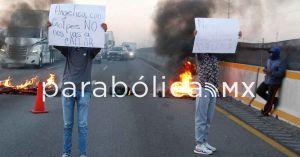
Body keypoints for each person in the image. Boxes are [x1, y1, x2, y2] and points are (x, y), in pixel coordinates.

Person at [48, 22, 108, 157]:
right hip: (68, 90)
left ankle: (82, 154)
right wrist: (51, 29)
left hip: (84, 91)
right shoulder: (68, 48)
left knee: (82, 125)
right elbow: (56, 42)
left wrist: (102, 32)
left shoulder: (89, 50)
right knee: (67, 124)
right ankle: (66, 153)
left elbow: (98, 46)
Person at [193, 30, 242, 155]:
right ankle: (199, 145)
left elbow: (228, 49)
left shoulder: (214, 55)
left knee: (208, 118)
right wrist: (197, 37)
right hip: (204, 88)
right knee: (201, 118)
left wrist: (236, 37)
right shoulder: (201, 54)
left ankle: (204, 141)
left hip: (213, 88)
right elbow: (198, 45)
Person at [257, 47, 286, 116]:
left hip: (274, 83)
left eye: (272, 52)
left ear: (276, 54)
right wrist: (265, 69)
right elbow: (266, 67)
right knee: (259, 91)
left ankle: (266, 111)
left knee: (270, 98)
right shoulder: (268, 60)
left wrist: (270, 73)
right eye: (270, 52)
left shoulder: (280, 62)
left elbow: (281, 74)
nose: (270, 54)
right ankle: (275, 100)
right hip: (267, 80)